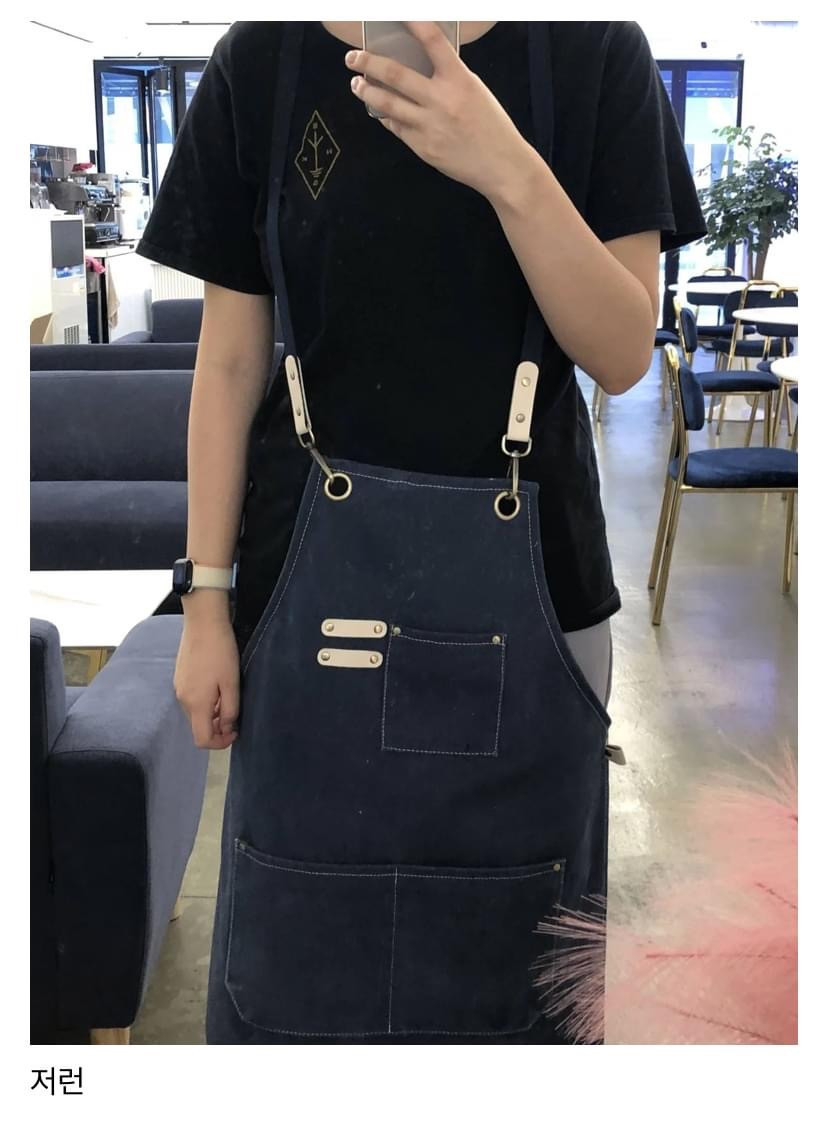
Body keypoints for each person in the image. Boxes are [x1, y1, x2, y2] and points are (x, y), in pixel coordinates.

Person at [136, 21, 707, 1043]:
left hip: (540, 592)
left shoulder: (593, 54)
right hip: (301, 594)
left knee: (518, 978)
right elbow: (228, 359)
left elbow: (623, 352)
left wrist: (504, 165)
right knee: (299, 965)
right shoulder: (261, 63)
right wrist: (203, 599)